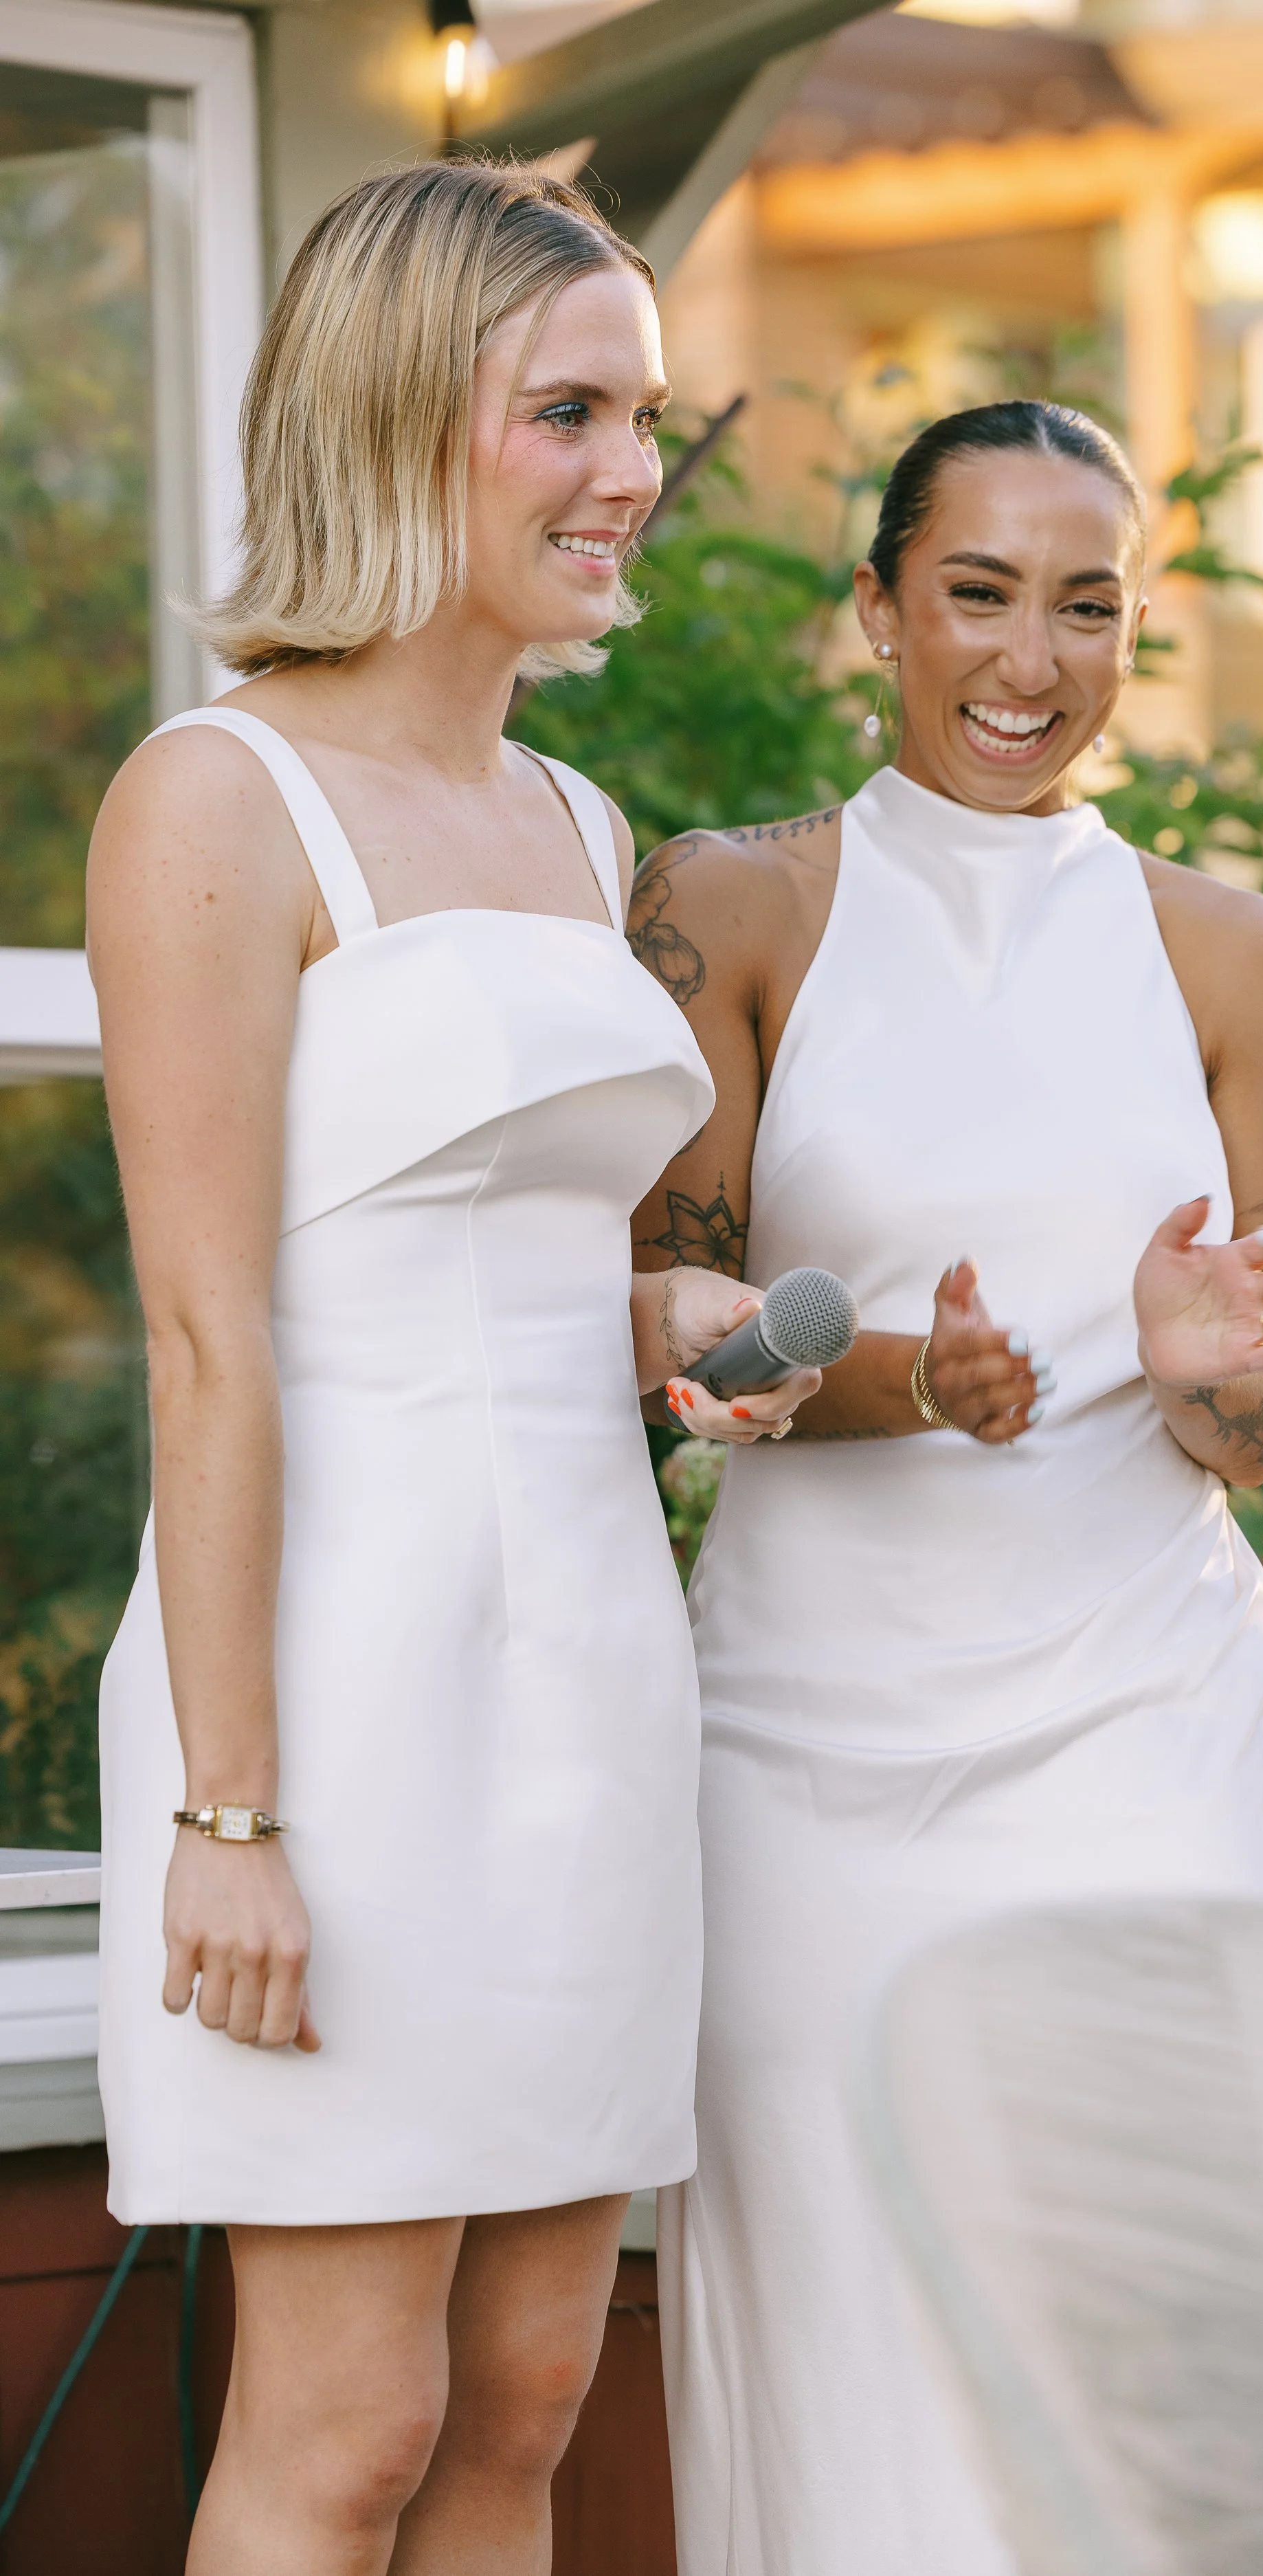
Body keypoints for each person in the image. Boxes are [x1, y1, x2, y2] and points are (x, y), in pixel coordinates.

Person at [89, 164, 812, 2576]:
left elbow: (488, 1251)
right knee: (349, 2425)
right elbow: (214, 1325)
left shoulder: (574, 815)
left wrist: (668, 1318)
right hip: (325, 1687)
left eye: (646, 415)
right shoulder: (220, 796)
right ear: (402, 418)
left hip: (582, 1672)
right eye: (570, 412)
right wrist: (230, 1809)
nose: (634, 472)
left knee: (519, 2392)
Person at [630, 399, 1263, 2576]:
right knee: (851, 2351)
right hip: (808, 1761)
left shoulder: (1237, 957)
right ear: (876, 609)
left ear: (1136, 628)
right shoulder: (728, 910)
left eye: (1087, 603)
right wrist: (893, 1378)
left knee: (1162, 2337)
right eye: (976, 593)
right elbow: (669, 1352)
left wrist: (1223, 1375)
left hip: (1148, 1734)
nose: (1029, 661)